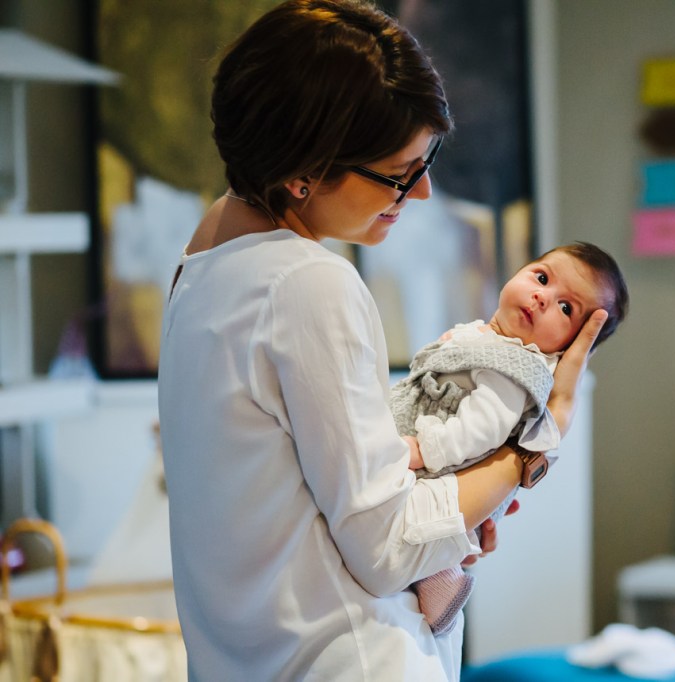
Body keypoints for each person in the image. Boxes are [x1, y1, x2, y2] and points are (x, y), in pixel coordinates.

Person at [156, 1, 607, 680]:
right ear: (305, 169)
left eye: (427, 162)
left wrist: (453, 507)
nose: (420, 192)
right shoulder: (308, 283)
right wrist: (534, 445)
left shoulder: (201, 262)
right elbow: (389, 549)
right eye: (399, 173)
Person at [390, 241, 628, 635]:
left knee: (422, 542)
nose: (542, 297)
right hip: (429, 460)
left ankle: (442, 582)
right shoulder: (489, 338)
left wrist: (423, 451)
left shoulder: (517, 370)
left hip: (438, 462)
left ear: (571, 348)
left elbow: (480, 430)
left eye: (566, 308)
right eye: (542, 278)